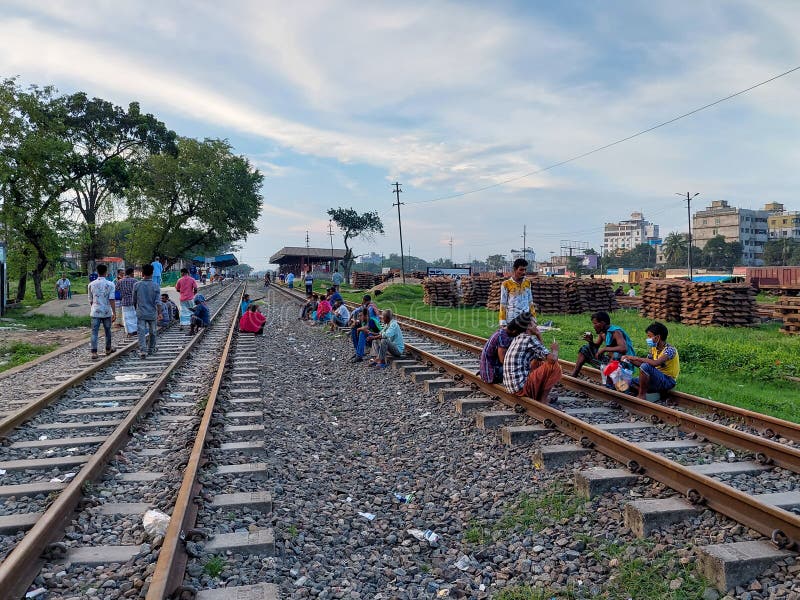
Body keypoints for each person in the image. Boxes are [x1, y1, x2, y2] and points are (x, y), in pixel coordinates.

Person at [502, 312, 561, 403]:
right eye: (534, 322)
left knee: (538, 362)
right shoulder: (529, 339)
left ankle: (539, 395)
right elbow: (552, 360)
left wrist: (538, 334)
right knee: (554, 366)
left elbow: (540, 356)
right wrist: (555, 350)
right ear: (529, 325)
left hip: (512, 388)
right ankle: (543, 399)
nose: (536, 325)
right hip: (521, 388)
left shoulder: (518, 338)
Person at [622, 322, 679, 399]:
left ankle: (642, 395)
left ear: (657, 337)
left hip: (668, 381)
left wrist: (635, 358)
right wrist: (630, 360)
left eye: (649, 336)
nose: (648, 339)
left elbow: (655, 363)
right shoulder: (653, 349)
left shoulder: (670, 350)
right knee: (629, 382)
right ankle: (649, 393)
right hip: (655, 379)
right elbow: (643, 366)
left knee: (645, 366)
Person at [571, 311, 635, 377]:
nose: (593, 326)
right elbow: (596, 347)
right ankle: (574, 374)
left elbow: (623, 348)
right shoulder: (602, 333)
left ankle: (613, 378)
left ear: (602, 323)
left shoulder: (615, 332)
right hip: (609, 361)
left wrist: (604, 349)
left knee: (616, 354)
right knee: (585, 348)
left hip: (623, 364)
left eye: (595, 323)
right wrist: (590, 341)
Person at [479, 314, 530, 384]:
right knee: (523, 369)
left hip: (493, 368)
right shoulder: (503, 337)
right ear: (515, 331)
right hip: (492, 373)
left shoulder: (505, 332)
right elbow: (503, 360)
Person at [88, 264, 116, 360]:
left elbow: (90, 300)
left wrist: (94, 308)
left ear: (97, 272)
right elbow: (112, 299)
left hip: (95, 311)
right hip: (107, 311)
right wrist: (114, 312)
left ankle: (94, 352)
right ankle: (108, 349)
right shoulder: (111, 284)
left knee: (94, 332)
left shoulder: (91, 284)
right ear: (106, 272)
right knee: (107, 330)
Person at [133, 264, 160, 358]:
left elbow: (134, 300)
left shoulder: (136, 285)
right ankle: (151, 349)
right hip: (152, 313)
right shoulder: (156, 285)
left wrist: (136, 309)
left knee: (141, 331)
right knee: (153, 331)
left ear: (142, 273)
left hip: (141, 312)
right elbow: (158, 302)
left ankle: (143, 350)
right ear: (152, 273)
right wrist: (160, 313)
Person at [499, 258, 535, 326]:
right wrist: (502, 322)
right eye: (521, 270)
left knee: (526, 337)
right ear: (515, 269)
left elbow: (530, 302)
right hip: (512, 320)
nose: (523, 272)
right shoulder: (506, 284)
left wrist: (533, 318)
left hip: (525, 319)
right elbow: (503, 304)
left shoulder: (527, 283)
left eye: (525, 270)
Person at [117, 267, 138, 337]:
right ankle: (135, 330)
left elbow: (116, 289)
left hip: (124, 302)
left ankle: (129, 332)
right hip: (134, 302)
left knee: (126, 318)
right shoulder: (135, 281)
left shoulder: (120, 281)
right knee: (134, 316)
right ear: (131, 273)